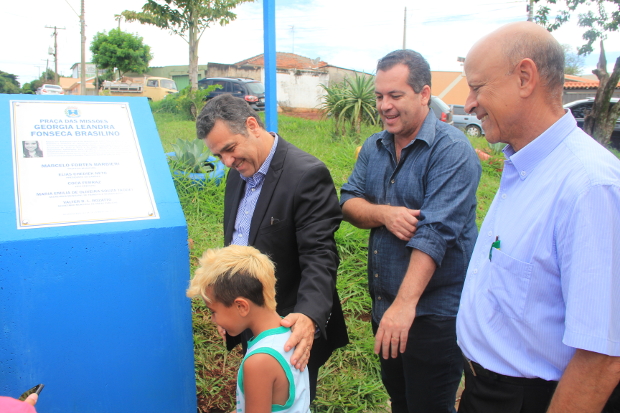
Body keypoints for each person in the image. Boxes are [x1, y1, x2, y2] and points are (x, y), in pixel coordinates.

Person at [456, 21, 620, 413]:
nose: (468, 104)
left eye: (477, 87)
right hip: (488, 390)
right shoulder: (525, 167)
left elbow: (602, 356)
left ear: (525, 77)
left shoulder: (588, 187)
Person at [340, 49, 481, 413]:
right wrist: (383, 213)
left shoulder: (451, 151)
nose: (384, 106)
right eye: (379, 96)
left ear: (423, 94)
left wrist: (405, 307)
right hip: (387, 309)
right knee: (401, 400)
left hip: (433, 314)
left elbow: (434, 234)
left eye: (395, 96)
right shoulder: (374, 146)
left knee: (429, 406)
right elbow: (349, 202)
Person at [196, 94, 348, 400]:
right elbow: (238, 242)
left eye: (230, 149)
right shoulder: (238, 173)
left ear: (252, 125)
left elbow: (319, 255)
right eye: (219, 155)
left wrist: (308, 316)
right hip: (250, 321)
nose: (227, 162)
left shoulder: (305, 175)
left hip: (289, 330)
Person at [187, 245, 310, 413]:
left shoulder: (259, 362)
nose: (212, 319)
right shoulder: (291, 333)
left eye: (214, 311)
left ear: (241, 306)